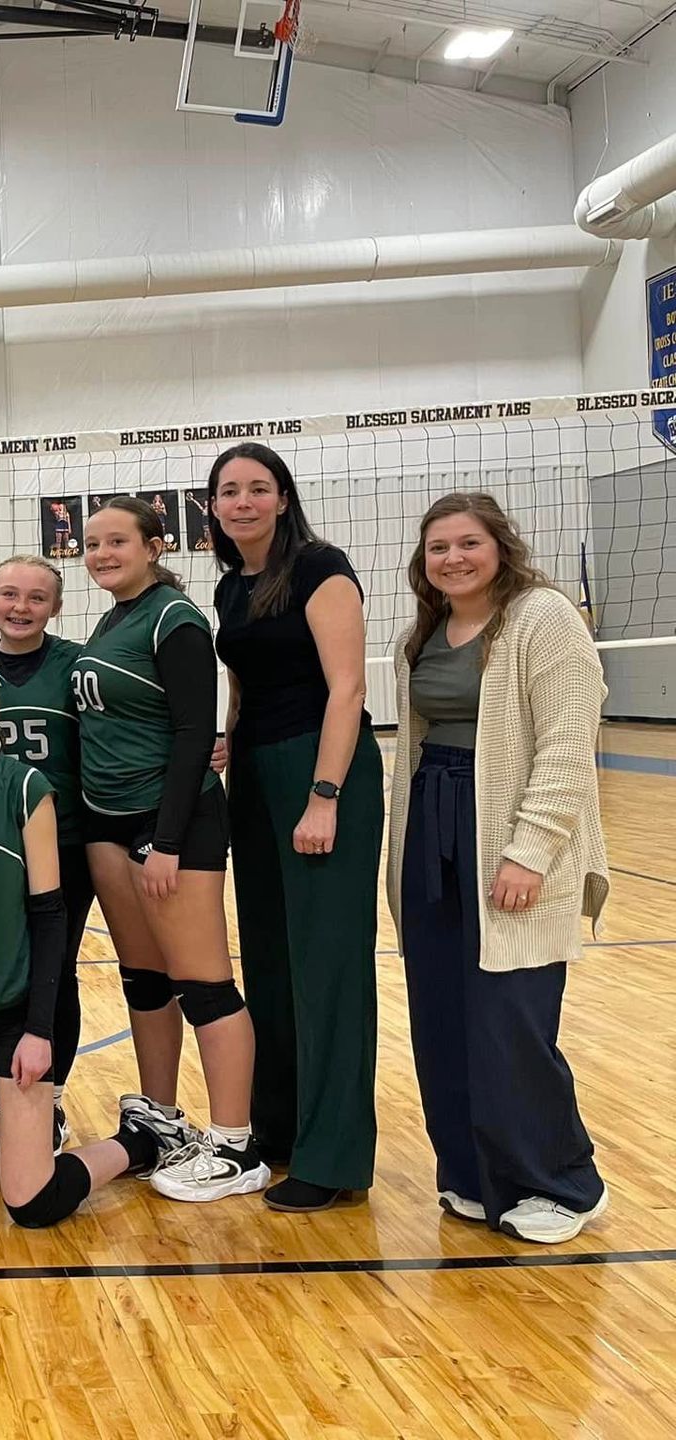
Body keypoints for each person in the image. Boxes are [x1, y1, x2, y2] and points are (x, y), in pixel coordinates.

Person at [387, 493, 610, 1244]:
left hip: (502, 829)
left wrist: (530, 850)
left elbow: (568, 747)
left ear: (500, 546)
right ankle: (475, 1175)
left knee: (510, 1018)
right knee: (442, 1011)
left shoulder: (543, 618)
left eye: (467, 543)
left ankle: (562, 1183)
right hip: (432, 825)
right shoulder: (422, 633)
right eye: (437, 547)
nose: (451, 558)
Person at [0, 650, 159, 1227]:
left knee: (31, 1204)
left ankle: (138, 1142)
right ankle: (11, 1128)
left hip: (14, 1005)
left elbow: (50, 915)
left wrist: (41, 1029)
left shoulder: (25, 787)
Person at [73, 497, 266, 1202]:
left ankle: (236, 1143)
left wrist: (168, 839)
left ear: (154, 546)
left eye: (116, 541)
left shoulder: (173, 619)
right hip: (111, 819)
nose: (101, 553)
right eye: (92, 543)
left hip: (169, 826)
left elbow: (194, 733)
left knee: (202, 981)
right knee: (145, 980)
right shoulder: (112, 617)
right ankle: (162, 1119)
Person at [208, 443, 382, 1212]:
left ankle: (336, 1156)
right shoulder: (230, 588)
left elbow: (346, 689)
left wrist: (324, 795)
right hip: (254, 774)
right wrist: (229, 744)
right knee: (272, 961)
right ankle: (281, 1127)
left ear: (282, 497)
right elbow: (245, 686)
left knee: (328, 967)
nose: (242, 501)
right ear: (212, 507)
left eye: (257, 488)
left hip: (323, 769)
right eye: (227, 491)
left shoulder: (320, 565)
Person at [0, 555, 91, 1151]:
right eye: (10, 595)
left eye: (36, 598)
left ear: (57, 607)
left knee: (56, 968)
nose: (20, 608)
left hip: (64, 841)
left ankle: (47, 1098)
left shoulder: (76, 665)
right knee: (2, 964)